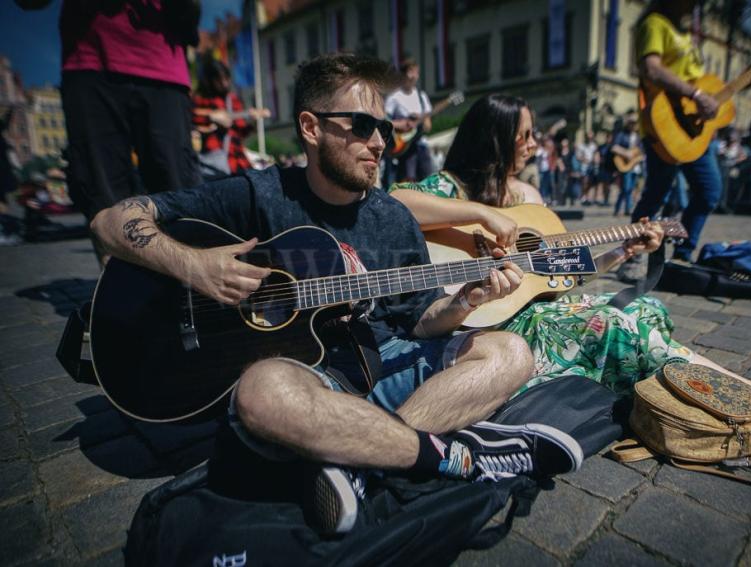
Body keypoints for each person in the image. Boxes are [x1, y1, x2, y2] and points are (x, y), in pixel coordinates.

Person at [90, 54, 579, 535]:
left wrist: (466, 301)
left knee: (510, 352)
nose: (379, 143)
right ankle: (443, 457)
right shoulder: (259, 194)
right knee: (262, 392)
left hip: (385, 364)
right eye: (362, 125)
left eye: (384, 130)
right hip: (303, 378)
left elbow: (421, 320)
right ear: (310, 127)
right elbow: (111, 221)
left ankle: (361, 461)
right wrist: (196, 266)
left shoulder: (394, 218)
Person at [390, 93, 751, 426]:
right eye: (525, 135)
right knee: (621, 327)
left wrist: (622, 251)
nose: (534, 143)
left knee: (645, 308)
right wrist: (479, 212)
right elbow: (393, 204)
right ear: (495, 140)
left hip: (542, 309)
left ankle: (722, 397)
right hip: (494, 326)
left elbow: (561, 276)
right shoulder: (452, 186)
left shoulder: (528, 196)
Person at [17, 0, 203, 261]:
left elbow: (192, 10)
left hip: (162, 64)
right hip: (90, 60)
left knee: (182, 194)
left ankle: (194, 290)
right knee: (105, 198)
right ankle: (123, 293)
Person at [625, 0, 751, 264]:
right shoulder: (655, 23)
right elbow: (650, 68)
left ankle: (682, 256)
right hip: (664, 127)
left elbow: (709, 93)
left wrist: (746, 80)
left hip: (696, 133)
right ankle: (631, 255)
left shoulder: (688, 36)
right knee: (656, 195)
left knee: (709, 190)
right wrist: (696, 94)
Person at [192, 57, 270, 178]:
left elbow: (241, 133)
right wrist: (211, 117)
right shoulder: (200, 99)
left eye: (226, 78)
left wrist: (253, 121)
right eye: (219, 79)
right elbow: (190, 117)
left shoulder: (232, 100)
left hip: (237, 160)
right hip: (213, 161)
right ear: (210, 80)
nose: (224, 83)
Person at [383, 59, 435, 184]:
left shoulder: (422, 96)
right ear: (403, 75)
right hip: (404, 146)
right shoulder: (394, 97)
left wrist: (426, 122)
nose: (414, 76)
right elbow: (383, 120)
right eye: (411, 72)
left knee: (428, 180)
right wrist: (400, 124)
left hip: (421, 143)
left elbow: (427, 122)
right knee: (408, 181)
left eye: (416, 72)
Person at [611, 115, 642, 216]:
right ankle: (627, 209)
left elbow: (641, 152)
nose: (633, 125)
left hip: (635, 166)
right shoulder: (622, 135)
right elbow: (614, 147)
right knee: (626, 188)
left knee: (630, 189)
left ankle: (619, 209)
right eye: (631, 123)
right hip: (625, 166)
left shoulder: (639, 137)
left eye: (635, 123)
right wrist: (626, 153)